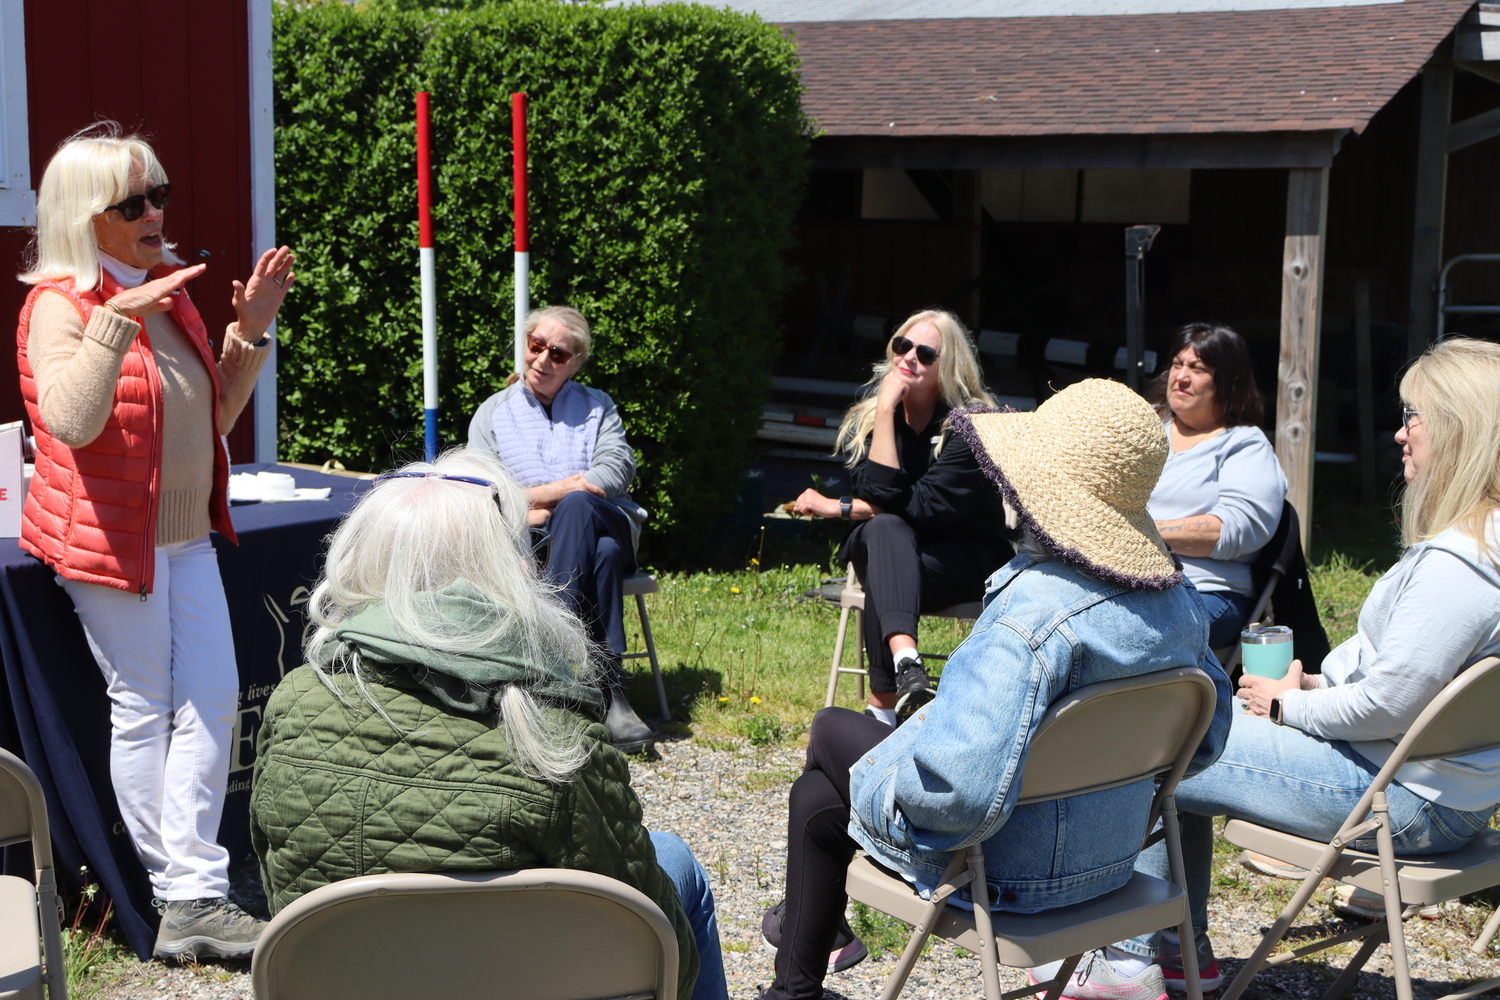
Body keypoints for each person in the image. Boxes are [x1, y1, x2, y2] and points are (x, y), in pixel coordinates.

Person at [762, 378, 1233, 1000]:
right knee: (818, 798)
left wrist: (896, 762)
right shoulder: (1178, 605)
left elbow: (956, 796)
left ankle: (796, 986)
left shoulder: (1030, 614)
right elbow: (1207, 742)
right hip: (1116, 862)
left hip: (1014, 873)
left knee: (828, 731)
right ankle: (793, 992)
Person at [1079, 337, 1500, 999]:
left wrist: (1285, 704)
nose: (1398, 433)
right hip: (1448, 795)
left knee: (1158, 748)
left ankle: (1133, 964)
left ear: (1460, 431)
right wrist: (1317, 685)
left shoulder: (1457, 564)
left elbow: (1390, 704)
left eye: (1413, 416)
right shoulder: (1489, 548)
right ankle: (1178, 957)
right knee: (1183, 738)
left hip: (1404, 805)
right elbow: (1415, 686)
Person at [249, 449, 727, 1000]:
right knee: (675, 860)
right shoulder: (555, 736)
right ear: (511, 572)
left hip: (344, 981)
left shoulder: (293, 703)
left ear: (363, 562)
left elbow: (280, 890)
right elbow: (665, 958)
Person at [16, 124, 294, 960]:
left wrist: (247, 332)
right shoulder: (58, 306)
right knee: (146, 711)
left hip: (182, 536)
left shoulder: (167, 295)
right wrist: (114, 323)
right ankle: (183, 895)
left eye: (159, 194)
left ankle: (192, 887)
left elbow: (208, 424)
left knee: (209, 700)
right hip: (109, 543)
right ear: (82, 216)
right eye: (131, 202)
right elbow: (69, 422)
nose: (153, 212)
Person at [792, 309, 1010, 726]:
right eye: (902, 346)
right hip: (897, 553)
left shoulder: (970, 425)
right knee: (887, 530)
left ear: (947, 367)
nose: (910, 357)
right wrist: (887, 411)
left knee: (885, 554)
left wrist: (836, 507)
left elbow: (927, 509)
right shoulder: (875, 418)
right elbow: (878, 493)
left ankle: (881, 711)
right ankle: (908, 665)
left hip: (963, 556)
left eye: (926, 353)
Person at [468, 306, 655, 754]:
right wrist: (570, 486)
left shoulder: (597, 406)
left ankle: (551, 657)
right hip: (531, 544)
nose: (543, 359)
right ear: (525, 344)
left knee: (580, 509)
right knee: (603, 553)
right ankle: (609, 690)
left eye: (558, 353)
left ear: (575, 363)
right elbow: (484, 492)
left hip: (603, 516)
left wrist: (542, 497)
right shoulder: (492, 414)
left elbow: (615, 467)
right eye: (536, 346)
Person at [1146, 323, 1287, 650]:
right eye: (1177, 364)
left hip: (1205, 590)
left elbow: (1238, 528)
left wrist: (1140, 532)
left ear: (1227, 381)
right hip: (1124, 579)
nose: (1181, 377)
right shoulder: (1145, 428)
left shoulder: (1244, 445)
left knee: (1114, 630)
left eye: (1197, 369)